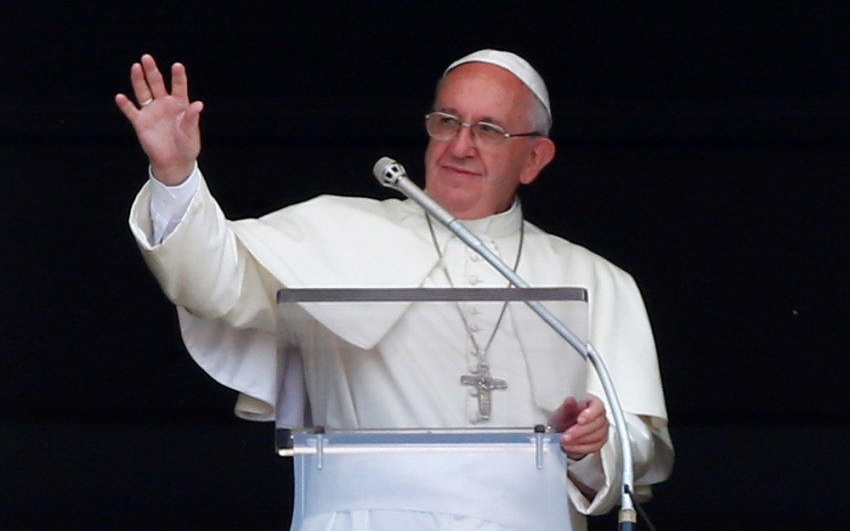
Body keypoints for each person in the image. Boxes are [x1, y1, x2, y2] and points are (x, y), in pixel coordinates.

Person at [118, 49, 673, 531]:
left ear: (534, 159)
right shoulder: (336, 229)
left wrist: (593, 442)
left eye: (488, 130)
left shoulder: (595, 280)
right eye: (447, 121)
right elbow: (213, 281)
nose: (460, 146)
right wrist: (176, 176)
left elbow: (638, 448)